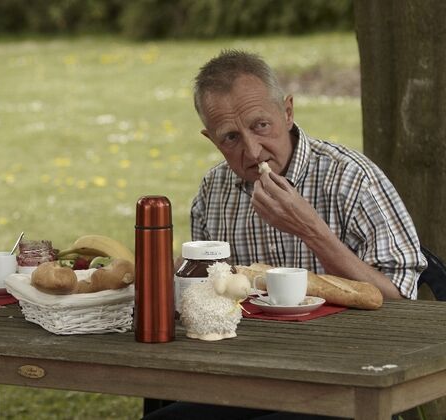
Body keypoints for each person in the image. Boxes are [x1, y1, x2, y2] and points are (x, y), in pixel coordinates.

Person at [145, 50, 426, 420]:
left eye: (261, 125)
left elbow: (400, 301)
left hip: (348, 377)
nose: (252, 150)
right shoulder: (214, 190)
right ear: (211, 139)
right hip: (248, 375)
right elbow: (209, 297)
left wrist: (311, 230)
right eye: (231, 137)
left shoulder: (351, 178)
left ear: (288, 111)